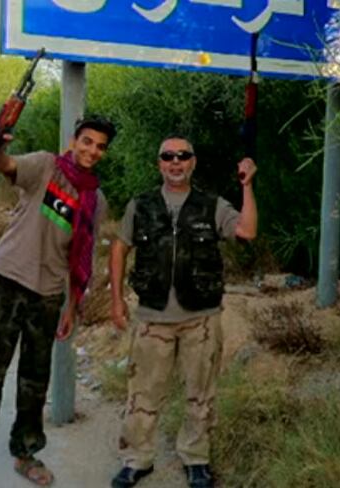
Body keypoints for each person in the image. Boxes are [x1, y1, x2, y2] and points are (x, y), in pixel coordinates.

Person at [0, 115, 116, 488]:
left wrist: (71, 306)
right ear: (74, 140)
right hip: (5, 282)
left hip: (49, 295)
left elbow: (80, 257)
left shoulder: (95, 200)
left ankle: (25, 454)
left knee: (34, 383)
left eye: (100, 146)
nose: (92, 151)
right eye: (87, 141)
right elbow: (5, 165)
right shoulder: (45, 166)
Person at [108, 134, 257, 488]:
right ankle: (137, 460)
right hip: (152, 318)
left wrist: (247, 186)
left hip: (201, 319)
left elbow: (247, 231)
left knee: (200, 393)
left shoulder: (212, 205)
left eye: (183, 156)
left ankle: (196, 459)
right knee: (142, 394)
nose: (175, 162)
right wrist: (116, 300)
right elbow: (119, 248)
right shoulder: (140, 205)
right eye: (168, 156)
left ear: (193, 162)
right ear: (159, 163)